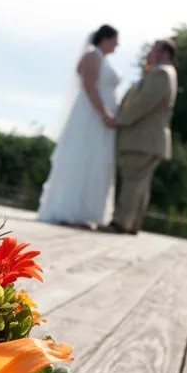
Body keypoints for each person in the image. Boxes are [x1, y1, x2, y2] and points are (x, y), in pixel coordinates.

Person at [37, 24, 120, 228]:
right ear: (105, 38)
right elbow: (88, 85)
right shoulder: (93, 56)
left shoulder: (102, 59)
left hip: (100, 122)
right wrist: (104, 113)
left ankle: (86, 211)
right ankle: (69, 211)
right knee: (82, 157)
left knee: (96, 161)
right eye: (115, 39)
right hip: (90, 117)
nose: (117, 44)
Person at [102, 39, 178, 235]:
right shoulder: (162, 73)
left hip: (143, 139)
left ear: (165, 54)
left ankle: (120, 223)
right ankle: (132, 224)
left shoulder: (161, 73)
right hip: (150, 141)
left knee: (133, 181)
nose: (149, 53)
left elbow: (145, 102)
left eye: (154, 49)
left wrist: (120, 119)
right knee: (140, 184)